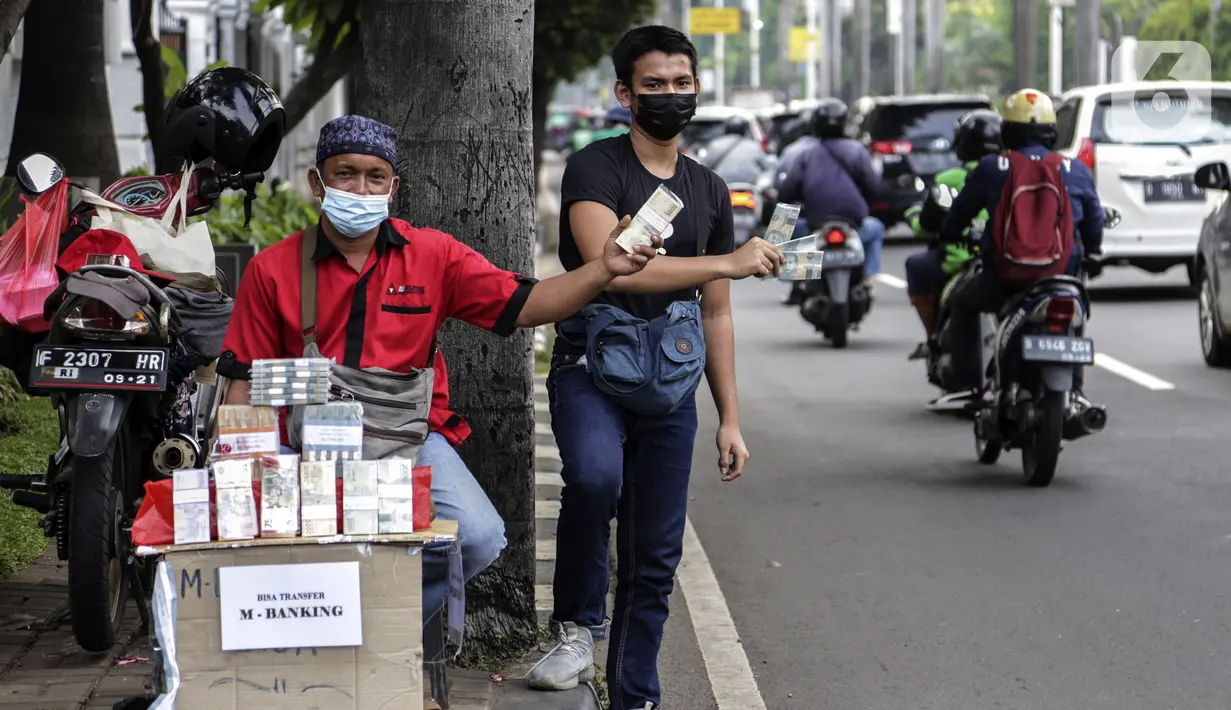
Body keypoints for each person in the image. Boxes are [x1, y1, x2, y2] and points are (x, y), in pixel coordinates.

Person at [216, 114, 662, 624]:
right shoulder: (272, 268)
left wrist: (603, 269)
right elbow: (244, 382)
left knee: (476, 537)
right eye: (345, 174)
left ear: (393, 187)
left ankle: (386, 630)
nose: (360, 188)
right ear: (316, 182)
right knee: (280, 537)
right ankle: (316, 626)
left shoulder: (432, 255)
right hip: (301, 442)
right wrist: (238, 475)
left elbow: (529, 305)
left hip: (408, 438)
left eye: (374, 177)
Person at [526, 25, 783, 710]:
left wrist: (729, 417)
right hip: (591, 367)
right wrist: (726, 261)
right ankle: (577, 629)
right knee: (592, 478)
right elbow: (610, 269)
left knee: (655, 551)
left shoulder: (707, 190)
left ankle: (634, 693)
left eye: (680, 84)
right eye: (653, 86)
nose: (669, 96)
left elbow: (717, 314)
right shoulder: (595, 168)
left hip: (670, 385)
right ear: (624, 93)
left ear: (695, 89)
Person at [940, 89, 1104, 405]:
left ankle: (970, 388)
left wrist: (948, 235)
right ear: (1052, 132)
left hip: (1006, 276)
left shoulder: (992, 167)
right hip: (1061, 275)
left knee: (963, 303)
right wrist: (1094, 251)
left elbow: (959, 215)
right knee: (1074, 313)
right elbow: (1093, 224)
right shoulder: (1074, 169)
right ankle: (1076, 392)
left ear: (1008, 131)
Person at [902, 109, 1002, 362]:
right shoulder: (1010, 174)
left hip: (956, 261)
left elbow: (927, 226)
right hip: (1002, 258)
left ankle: (932, 336)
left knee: (914, 266)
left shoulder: (950, 179)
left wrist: (913, 216)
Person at [777, 98, 886, 283]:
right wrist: (864, 205)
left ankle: (793, 277)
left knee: (780, 229)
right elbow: (874, 188)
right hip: (855, 221)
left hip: (815, 222)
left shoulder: (806, 155)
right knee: (876, 229)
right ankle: (868, 277)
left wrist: (796, 207)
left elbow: (786, 193)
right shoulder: (857, 151)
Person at [697, 115, 773, 186]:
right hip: (750, 185)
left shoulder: (716, 144)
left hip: (724, 186)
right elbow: (766, 167)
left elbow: (703, 167)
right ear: (743, 130)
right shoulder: (753, 146)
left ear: (726, 129)